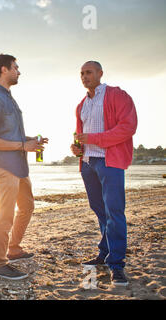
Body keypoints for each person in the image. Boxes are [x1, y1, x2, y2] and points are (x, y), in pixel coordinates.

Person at [0, 54, 48, 280]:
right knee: (5, 215)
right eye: (15, 67)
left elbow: (12, 134)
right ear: (4, 69)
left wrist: (31, 141)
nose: (19, 71)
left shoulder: (9, 98)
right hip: (5, 167)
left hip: (20, 166)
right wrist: (22, 145)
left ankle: (14, 248)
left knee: (27, 207)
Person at [71, 61, 137, 286]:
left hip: (110, 162)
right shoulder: (81, 105)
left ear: (100, 73)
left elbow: (128, 127)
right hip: (88, 163)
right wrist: (77, 149)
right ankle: (106, 251)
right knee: (100, 211)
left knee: (115, 212)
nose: (84, 76)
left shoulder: (117, 95)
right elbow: (81, 137)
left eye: (88, 72)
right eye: (81, 73)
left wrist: (94, 139)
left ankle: (117, 266)